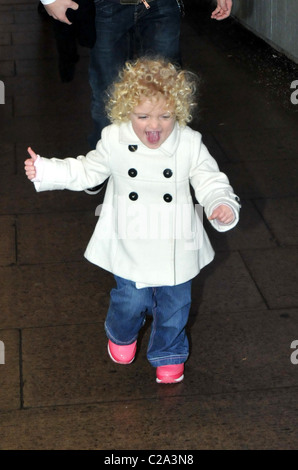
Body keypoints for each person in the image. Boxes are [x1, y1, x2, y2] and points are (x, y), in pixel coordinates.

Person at [24, 58, 240, 383]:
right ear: (126, 111)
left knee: (176, 304)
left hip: (176, 240)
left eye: (165, 116)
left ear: (178, 112)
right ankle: (121, 331)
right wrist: (48, 169)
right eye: (143, 116)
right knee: (132, 298)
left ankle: (169, 353)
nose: (155, 125)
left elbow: (210, 179)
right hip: (130, 234)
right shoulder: (114, 139)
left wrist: (220, 202)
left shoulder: (189, 142)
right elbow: (87, 169)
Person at [39, 0, 233, 148]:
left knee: (167, 89)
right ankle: (104, 158)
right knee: (107, 89)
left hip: (162, 5)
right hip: (106, 5)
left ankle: (165, 157)